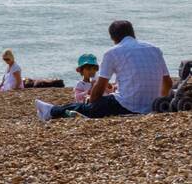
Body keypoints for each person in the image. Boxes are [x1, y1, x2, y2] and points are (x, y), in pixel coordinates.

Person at [37, 20, 172, 121]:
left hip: (127, 105)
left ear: (113, 38)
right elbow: (168, 83)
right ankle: (52, 110)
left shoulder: (113, 52)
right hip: (153, 105)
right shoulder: (155, 49)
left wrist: (93, 102)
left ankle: (51, 111)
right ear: (133, 33)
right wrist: (156, 103)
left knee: (85, 108)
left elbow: (100, 86)